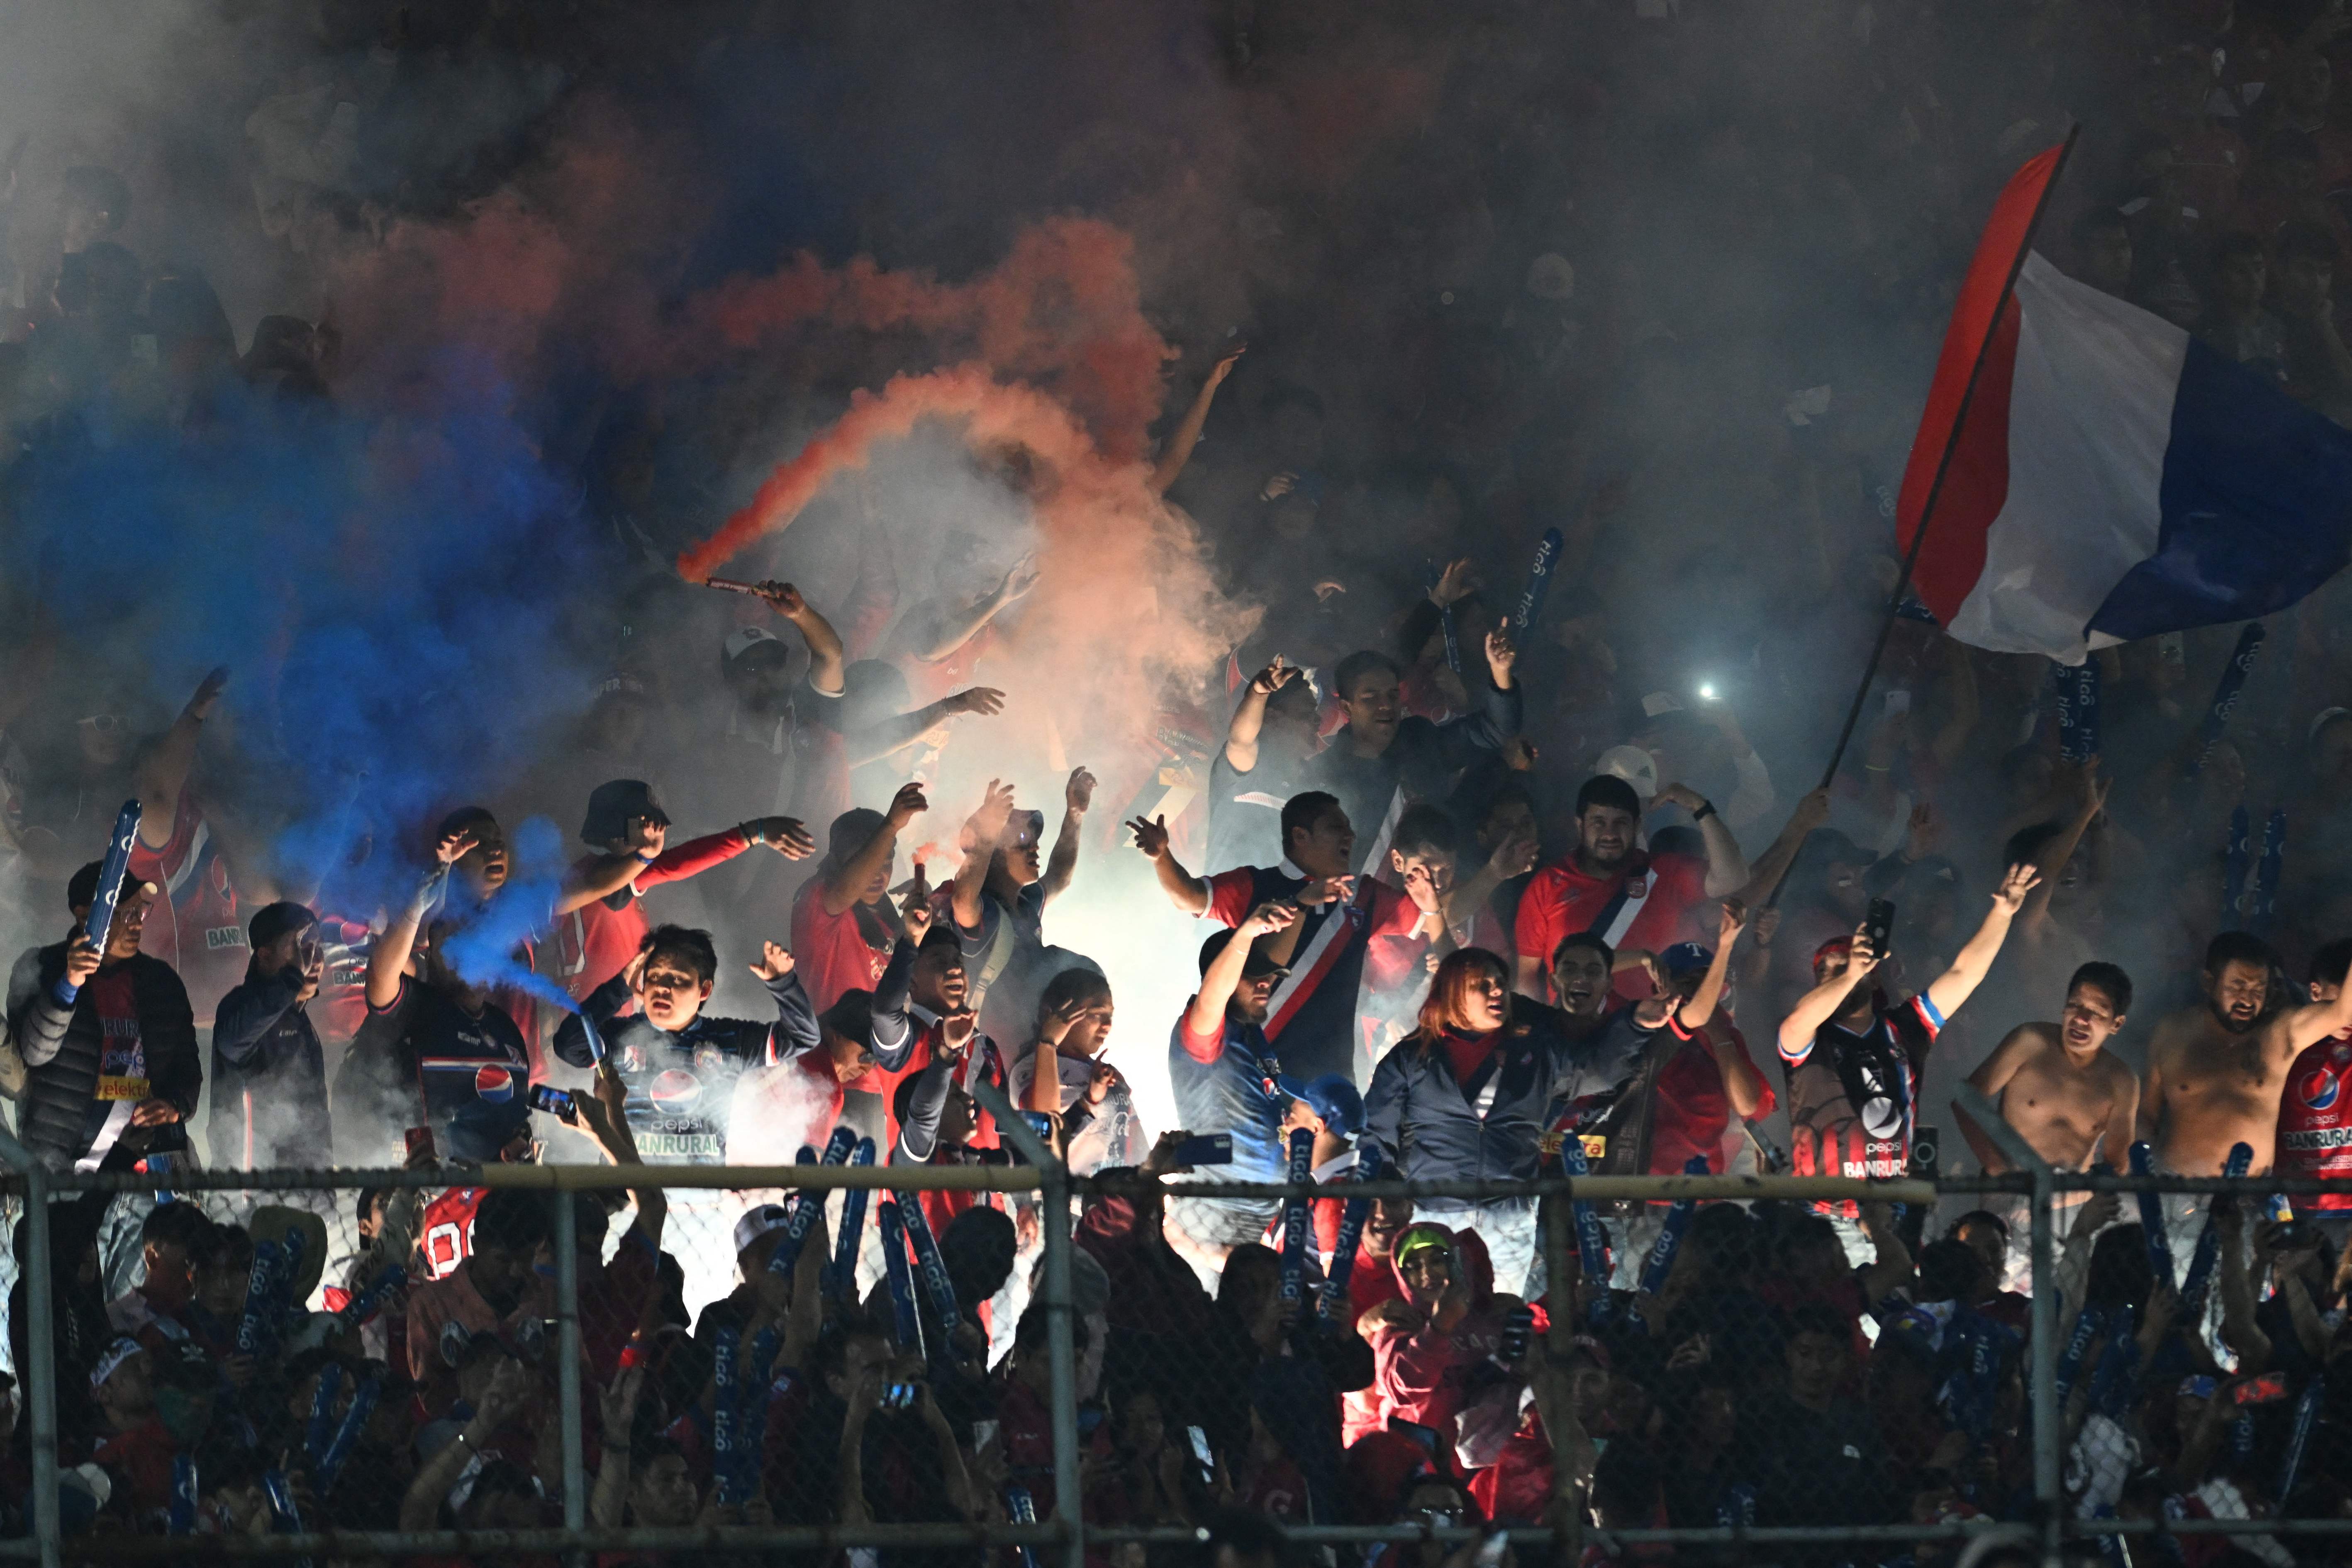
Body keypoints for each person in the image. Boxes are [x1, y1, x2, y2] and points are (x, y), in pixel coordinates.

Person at [1363, 948, 1665, 1295]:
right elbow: (1377, 1136)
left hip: (1509, 1214)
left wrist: (1636, 1024)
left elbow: (1597, 1071)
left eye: (1501, 984)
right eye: (1483, 985)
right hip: (1435, 1210)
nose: (1497, 992)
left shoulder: (1534, 1050)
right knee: (1434, 1312)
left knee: (1500, 1315)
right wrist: (1376, 1204)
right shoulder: (1411, 1056)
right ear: (1452, 993)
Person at [1778, 863, 2039, 1261]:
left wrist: (2002, 914)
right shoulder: (1808, 1038)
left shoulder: (1906, 1027)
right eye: (1827, 972)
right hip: (1824, 1215)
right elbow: (1797, 1022)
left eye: (1849, 965)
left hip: (1892, 1211)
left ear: (1877, 976)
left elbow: (1964, 973)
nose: (1840, 974)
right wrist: (1849, 975)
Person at [1129, 790, 1425, 1084]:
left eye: (1348, 827)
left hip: (1335, 1077)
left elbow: (1431, 913)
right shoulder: (1258, 885)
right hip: (1262, 1066)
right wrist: (1161, 857)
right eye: (1336, 827)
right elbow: (1189, 896)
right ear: (1300, 836)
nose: (1350, 835)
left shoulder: (1362, 893)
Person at [2141, 931, 2352, 1281]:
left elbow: (2343, 1010)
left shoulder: (2279, 1033)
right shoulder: (2172, 1032)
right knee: (2167, 1304)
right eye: (2237, 985)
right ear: (2209, 982)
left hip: (2248, 1206)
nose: (2247, 998)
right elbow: (2145, 1115)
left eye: (2257, 989)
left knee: (2241, 1318)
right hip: (2174, 1200)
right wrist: (2141, 1175)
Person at [550, 924, 821, 1162]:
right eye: (654, 976)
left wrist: (784, 983)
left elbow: (803, 1037)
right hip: (624, 1198)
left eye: (677, 979)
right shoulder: (618, 1036)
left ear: (704, 990)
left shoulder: (729, 1039)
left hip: (700, 1203)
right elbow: (567, 1046)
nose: (662, 987)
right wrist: (617, 988)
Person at [1954, 961, 2142, 1290]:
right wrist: (1997, 1167)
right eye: (2075, 1006)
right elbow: (1965, 1099)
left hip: (2070, 1210)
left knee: (2061, 1304)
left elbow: (2117, 1163)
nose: (2081, 1019)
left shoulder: (2121, 1079)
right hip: (2006, 1203)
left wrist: (2080, 1200)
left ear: (2116, 1024)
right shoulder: (2030, 1041)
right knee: (1989, 1295)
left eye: (2096, 1012)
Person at [354, 826, 533, 1164]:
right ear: (431, 954)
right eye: (454, 945)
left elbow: (518, 1119)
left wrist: (522, 1140)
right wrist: (415, 909)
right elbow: (381, 978)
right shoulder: (415, 1006)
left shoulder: (506, 1030)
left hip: (495, 1194)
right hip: (428, 1188)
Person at [5, 860, 198, 1173]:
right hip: (61, 1170)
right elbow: (32, 1054)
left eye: (141, 911)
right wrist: (68, 983)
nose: (137, 923)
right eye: (125, 913)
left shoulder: (162, 982)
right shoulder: (42, 967)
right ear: (85, 917)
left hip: (145, 1171)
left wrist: (176, 1107)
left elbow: (187, 1065)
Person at [548, 777, 812, 1002]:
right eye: (646, 825)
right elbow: (674, 865)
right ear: (616, 833)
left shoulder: (592, 874)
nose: (656, 833)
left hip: (605, 1019)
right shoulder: (602, 876)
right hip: (590, 1026)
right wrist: (756, 832)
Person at [1514, 773, 1747, 1004]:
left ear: (1637, 826)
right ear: (1580, 825)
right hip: (1576, 1032)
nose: (1610, 834)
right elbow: (1527, 976)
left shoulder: (1660, 872)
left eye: (1621, 823)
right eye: (1599, 823)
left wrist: (1700, 807)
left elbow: (1732, 878)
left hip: (1655, 1030)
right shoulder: (1547, 886)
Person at [1298, 632, 1522, 862]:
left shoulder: (1420, 739)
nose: (1386, 705)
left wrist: (1500, 671)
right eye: (1370, 698)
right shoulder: (1322, 779)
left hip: (1442, 880)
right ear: (1347, 708)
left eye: (1392, 696)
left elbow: (1497, 729)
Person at [1167, 903, 1302, 1249]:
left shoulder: (1248, 1029)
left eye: (1269, 977)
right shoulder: (1204, 1034)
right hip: (1217, 1214)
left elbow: (1270, 963)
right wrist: (1243, 936)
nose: (1266, 984)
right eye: (1251, 976)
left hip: (1257, 1209)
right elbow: (1215, 993)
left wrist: (1305, 900)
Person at [950, 771, 1097, 1044]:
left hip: (1028, 1042)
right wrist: (983, 838)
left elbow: (1060, 876)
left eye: (1033, 839)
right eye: (1023, 840)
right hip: (990, 1052)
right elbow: (962, 901)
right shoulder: (986, 912)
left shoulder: (1027, 903)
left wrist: (1075, 814)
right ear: (992, 855)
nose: (1035, 848)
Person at [209, 900, 333, 1170]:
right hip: (253, 1197)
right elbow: (233, 1043)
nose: (314, 960)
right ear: (264, 955)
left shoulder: (301, 1017)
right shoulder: (240, 1005)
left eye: (319, 948)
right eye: (301, 947)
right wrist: (290, 980)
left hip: (311, 1194)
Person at [791, 784, 925, 1014]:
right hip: (830, 1047)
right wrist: (891, 825)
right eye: (865, 858)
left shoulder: (888, 921)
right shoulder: (815, 898)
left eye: (886, 861)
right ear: (837, 859)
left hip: (879, 1047)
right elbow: (846, 890)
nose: (877, 872)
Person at [1205, 656, 1321, 874]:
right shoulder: (1248, 765)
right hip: (1236, 905)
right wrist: (1259, 695)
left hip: (1286, 905)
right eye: (1306, 714)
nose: (1318, 721)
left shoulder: (1313, 781)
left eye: (1315, 713)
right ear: (1273, 717)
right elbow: (1240, 741)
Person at [2277, 938, 2352, 1250]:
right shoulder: (2284, 1043)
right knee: (2294, 1295)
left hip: (2348, 1203)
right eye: (2334, 1007)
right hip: (2295, 1203)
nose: (2344, 1018)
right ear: (2314, 992)